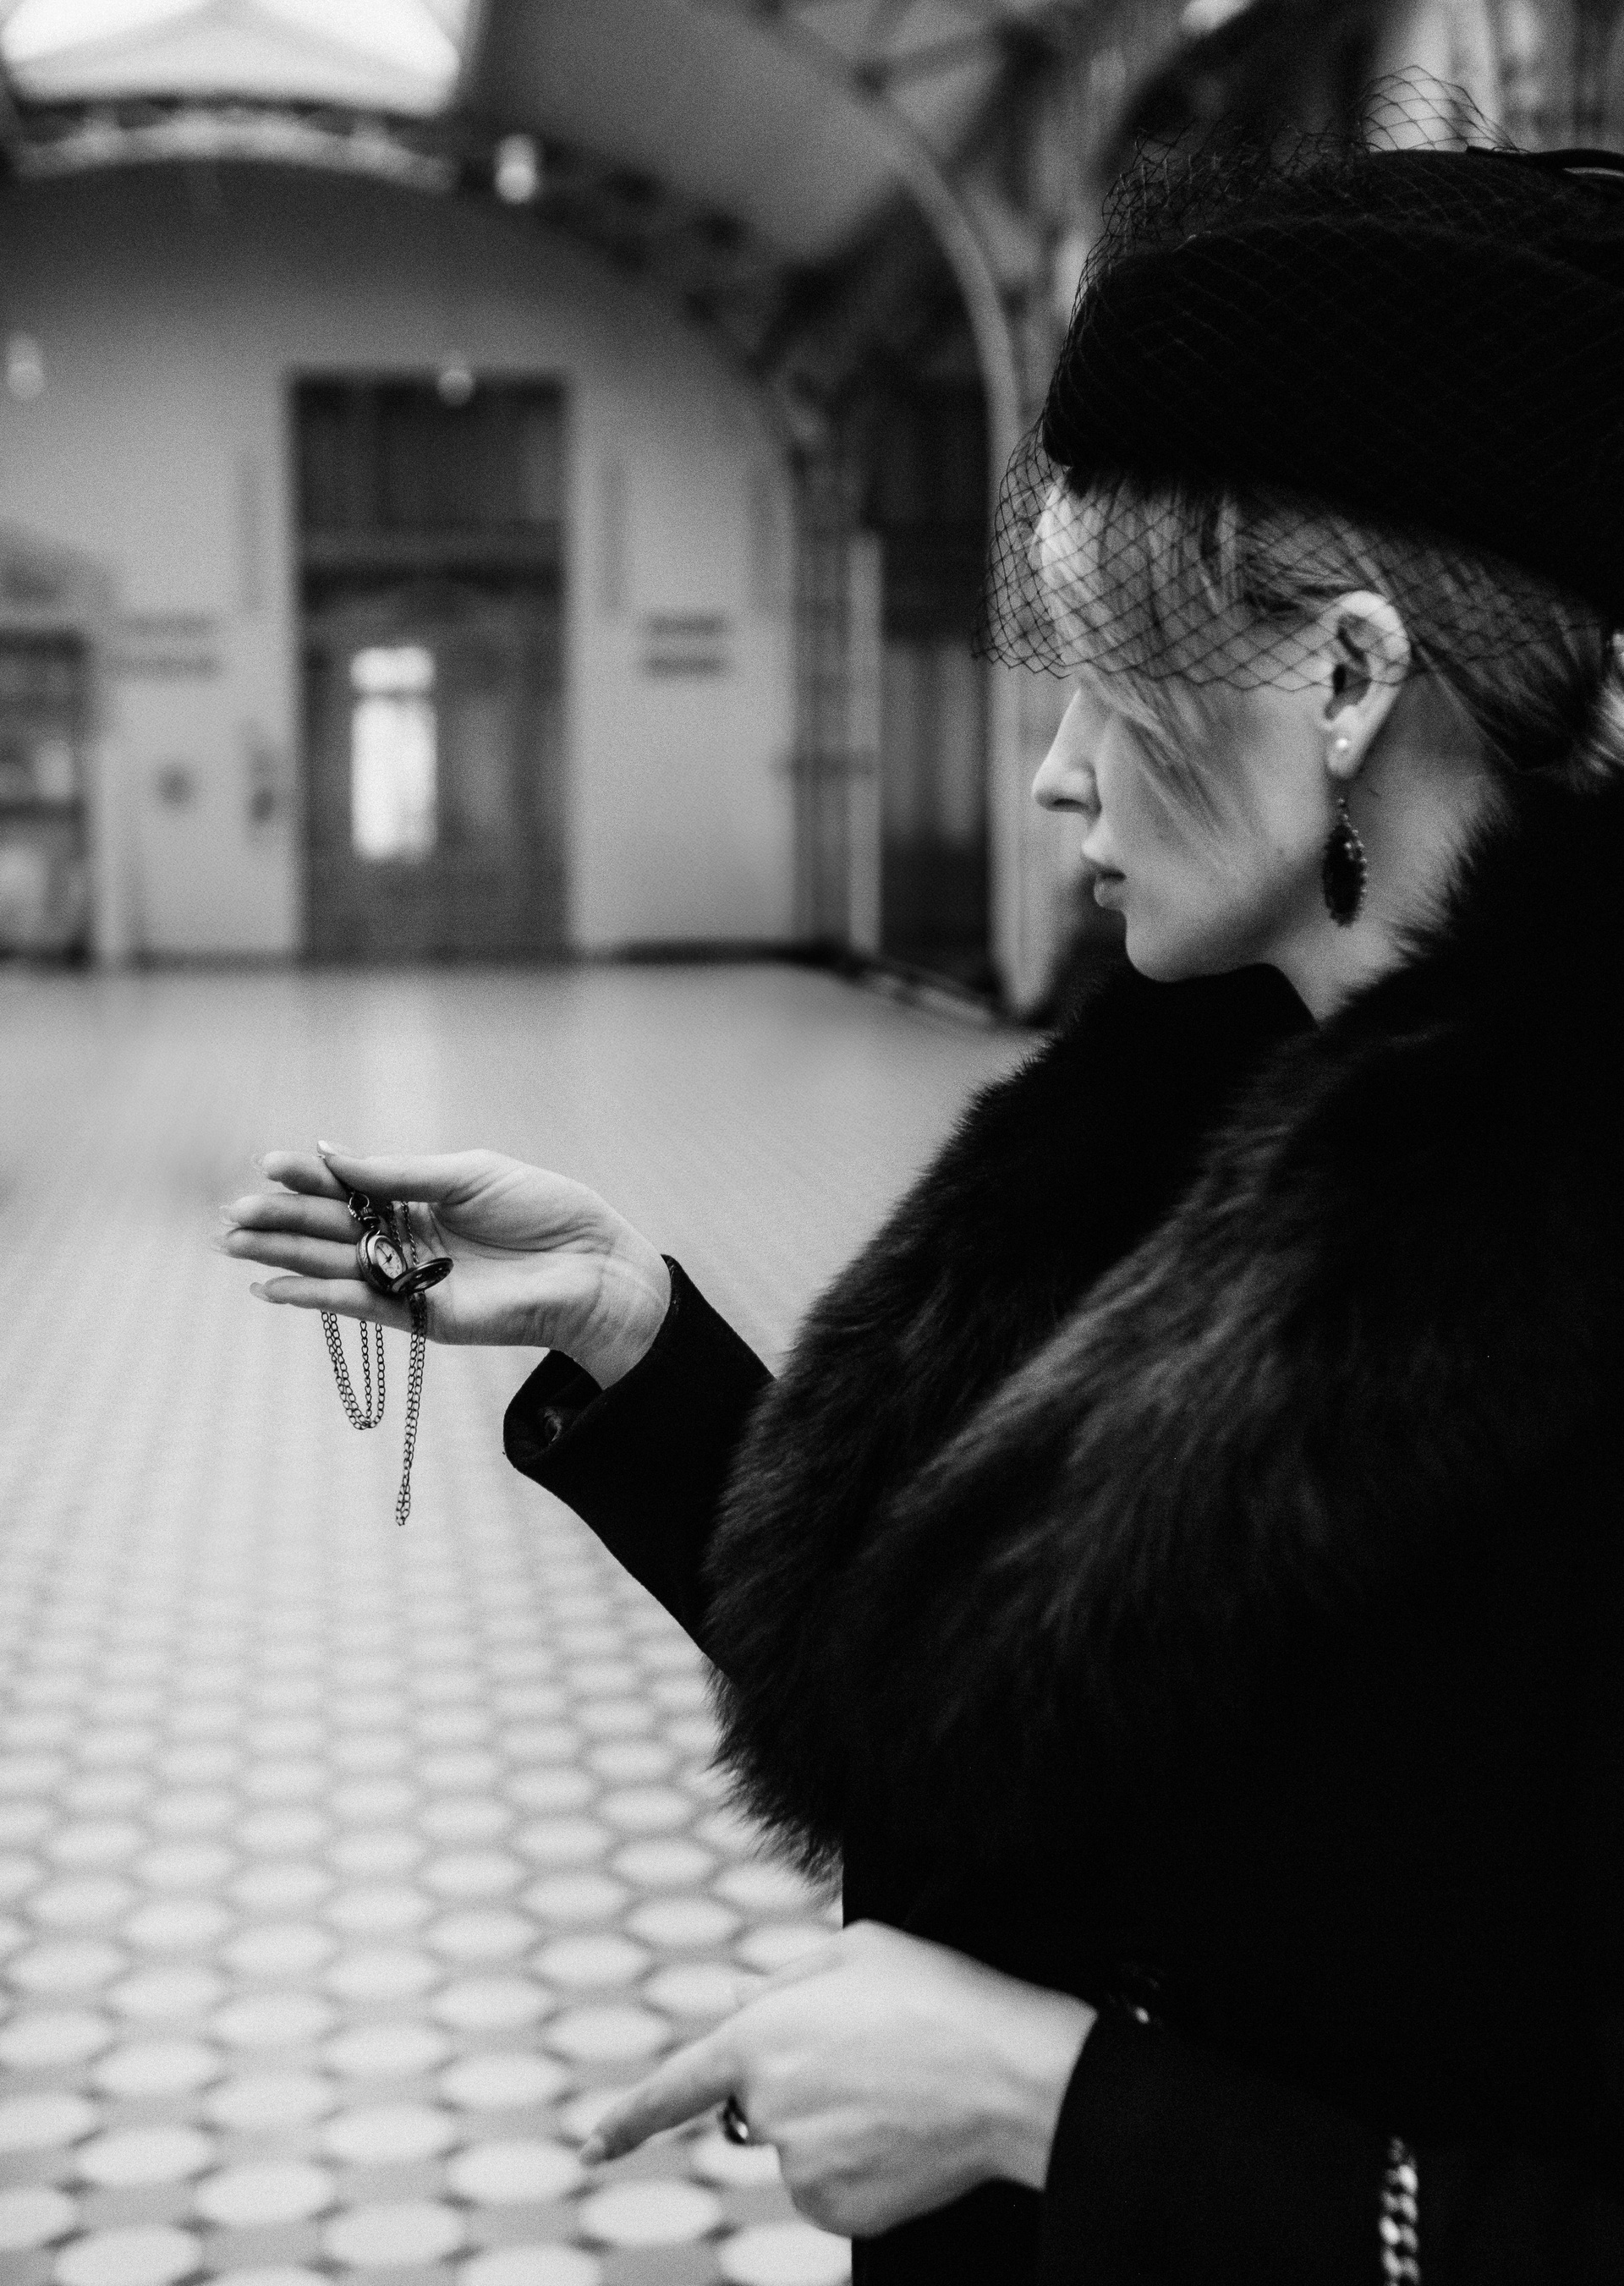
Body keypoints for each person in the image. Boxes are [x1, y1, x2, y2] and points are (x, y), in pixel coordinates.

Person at [221, 118, 1624, 2284]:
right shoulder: (1194, 1109)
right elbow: (1024, 1691)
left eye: (1110, 677)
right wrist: (629, 1333)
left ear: (1349, 681)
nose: (1055, 768)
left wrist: (1049, 2108)